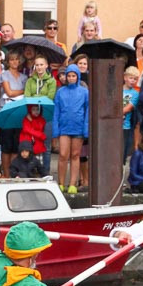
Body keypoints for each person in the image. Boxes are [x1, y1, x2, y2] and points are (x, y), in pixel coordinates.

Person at [53, 63, 88, 192]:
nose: (71, 78)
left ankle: (73, 184)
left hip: (78, 127)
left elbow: (87, 111)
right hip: (64, 127)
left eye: (74, 76)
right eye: (69, 76)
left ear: (78, 77)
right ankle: (61, 183)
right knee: (63, 155)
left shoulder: (84, 92)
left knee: (75, 155)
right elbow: (56, 111)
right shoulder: (60, 92)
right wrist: (56, 130)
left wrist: (86, 128)